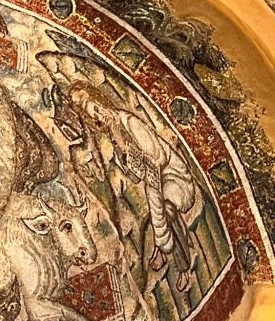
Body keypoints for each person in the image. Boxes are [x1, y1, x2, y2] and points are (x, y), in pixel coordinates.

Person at [67, 81, 197, 293]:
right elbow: (135, 176)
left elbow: (158, 158)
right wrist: (120, 146)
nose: (100, 116)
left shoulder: (129, 122)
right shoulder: (113, 135)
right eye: (94, 116)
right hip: (154, 182)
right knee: (157, 208)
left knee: (167, 208)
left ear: (101, 101)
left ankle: (183, 267)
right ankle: (163, 247)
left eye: (97, 109)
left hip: (173, 174)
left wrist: (125, 145)